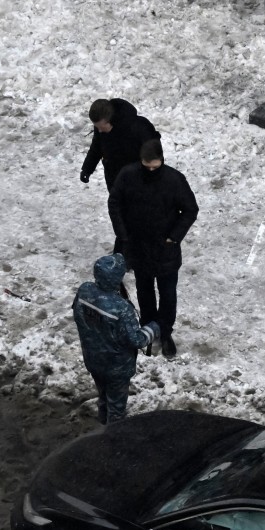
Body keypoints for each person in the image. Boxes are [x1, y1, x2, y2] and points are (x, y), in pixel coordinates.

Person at [108, 138, 199, 358]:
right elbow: (115, 202)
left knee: (168, 294)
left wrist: (173, 237)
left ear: (162, 160)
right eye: (146, 166)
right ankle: (148, 328)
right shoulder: (128, 176)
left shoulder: (174, 180)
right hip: (138, 246)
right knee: (144, 290)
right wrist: (123, 234)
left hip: (164, 248)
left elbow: (190, 210)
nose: (150, 170)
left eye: (154, 166)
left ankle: (165, 332)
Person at [72, 254, 160, 424]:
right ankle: (112, 437)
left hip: (92, 359)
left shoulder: (84, 291)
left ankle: (101, 422)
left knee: (103, 395)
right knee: (117, 409)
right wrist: (154, 328)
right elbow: (136, 340)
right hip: (116, 368)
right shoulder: (121, 308)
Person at [79, 98, 160, 192]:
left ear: (111, 120)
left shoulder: (138, 127)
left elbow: (154, 153)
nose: (99, 130)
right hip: (114, 181)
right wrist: (87, 169)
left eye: (101, 127)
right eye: (97, 127)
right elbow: (96, 148)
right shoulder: (100, 126)